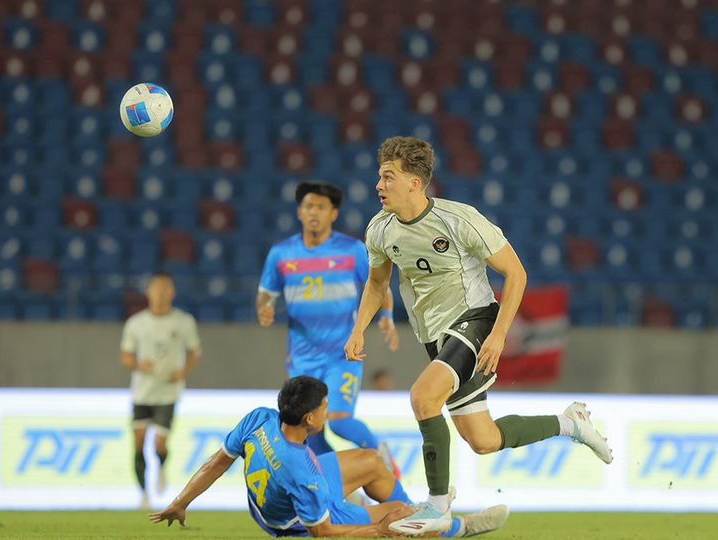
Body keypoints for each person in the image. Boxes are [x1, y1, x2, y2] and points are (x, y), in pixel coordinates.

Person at [344, 136, 613, 534]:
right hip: (436, 337)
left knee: (422, 396)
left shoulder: (459, 219)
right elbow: (376, 284)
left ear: (415, 183)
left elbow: (516, 273)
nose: (378, 185)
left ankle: (437, 505)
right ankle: (570, 423)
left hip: (477, 320)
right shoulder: (380, 230)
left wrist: (500, 334)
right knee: (484, 439)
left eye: (388, 177)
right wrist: (358, 330)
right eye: (379, 177)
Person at [149, 376, 509, 537]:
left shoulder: (260, 418)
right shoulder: (301, 470)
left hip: (280, 496)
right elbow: (322, 531)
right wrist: (377, 530)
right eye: (324, 407)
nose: (327, 411)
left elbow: (217, 462)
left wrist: (180, 502)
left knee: (370, 460)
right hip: (295, 525)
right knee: (402, 524)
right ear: (309, 418)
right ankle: (461, 527)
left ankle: (421, 510)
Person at [256, 181, 400, 460]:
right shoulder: (281, 254)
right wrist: (264, 308)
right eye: (308, 206)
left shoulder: (352, 250)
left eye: (321, 207)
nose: (313, 212)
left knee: (339, 419)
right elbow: (265, 295)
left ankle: (382, 458)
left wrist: (386, 316)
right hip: (302, 358)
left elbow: (378, 286)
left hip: (343, 353)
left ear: (333, 214)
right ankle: (338, 485)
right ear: (299, 212)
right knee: (309, 429)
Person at [120, 272, 201, 510]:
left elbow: (194, 351)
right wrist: (137, 365)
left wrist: (183, 371)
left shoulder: (184, 322)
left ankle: (162, 467)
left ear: (172, 292)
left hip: (168, 391)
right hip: (142, 392)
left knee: (158, 444)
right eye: (157, 288)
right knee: (138, 442)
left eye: (166, 288)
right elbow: (125, 355)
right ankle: (144, 494)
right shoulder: (136, 323)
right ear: (149, 292)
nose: (161, 292)